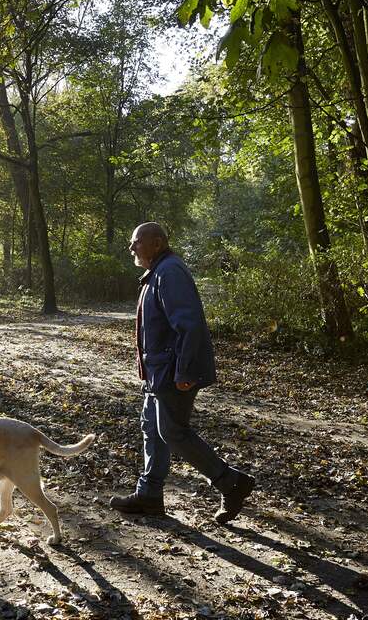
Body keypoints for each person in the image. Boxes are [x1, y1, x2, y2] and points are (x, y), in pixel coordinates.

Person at [110, 222, 255, 524]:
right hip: (158, 371)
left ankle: (231, 482)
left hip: (173, 371)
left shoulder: (170, 272)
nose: (131, 247)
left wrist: (185, 370)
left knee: (173, 432)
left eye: (136, 242)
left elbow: (189, 326)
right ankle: (149, 494)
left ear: (158, 243)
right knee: (153, 428)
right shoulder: (157, 272)